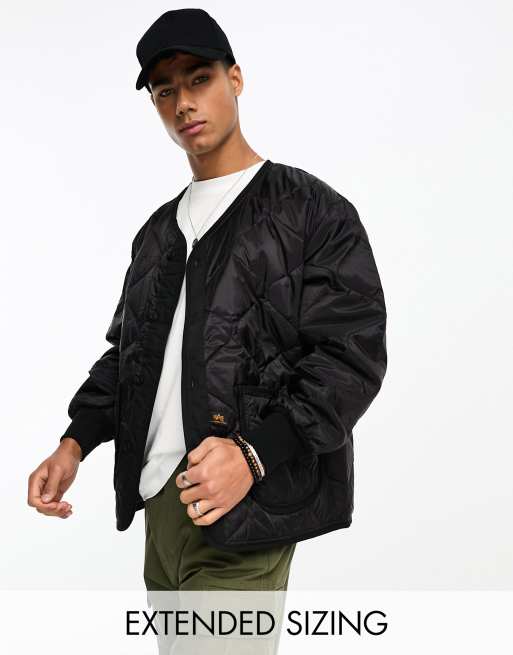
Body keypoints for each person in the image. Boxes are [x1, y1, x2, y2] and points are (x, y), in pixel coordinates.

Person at [27, 9, 388, 600]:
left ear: (235, 79)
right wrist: (74, 444)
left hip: (246, 508)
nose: (184, 104)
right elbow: (130, 357)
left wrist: (253, 457)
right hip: (161, 506)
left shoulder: (310, 211)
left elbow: (352, 358)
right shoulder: (157, 234)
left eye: (199, 80)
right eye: (165, 91)